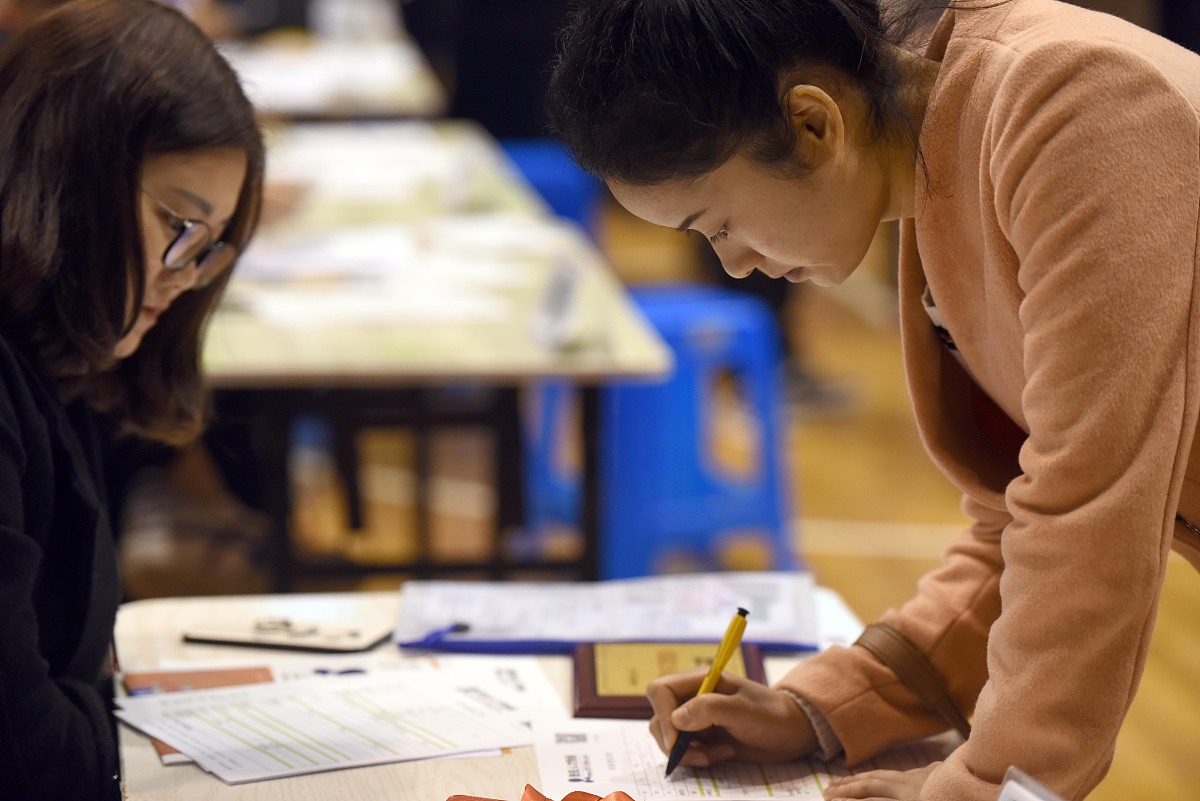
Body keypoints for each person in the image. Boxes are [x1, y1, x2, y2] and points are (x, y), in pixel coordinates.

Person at [546, 1, 1200, 800]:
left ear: (813, 124)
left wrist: (985, 786)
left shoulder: (1076, 103)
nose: (736, 264)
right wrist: (833, 700)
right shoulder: (942, 135)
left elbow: (1089, 506)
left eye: (717, 224)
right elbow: (1019, 512)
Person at [0, 0, 264, 797]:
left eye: (209, 246)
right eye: (176, 223)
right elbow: (21, 746)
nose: (186, 277)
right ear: (64, 174)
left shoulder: (57, 361)